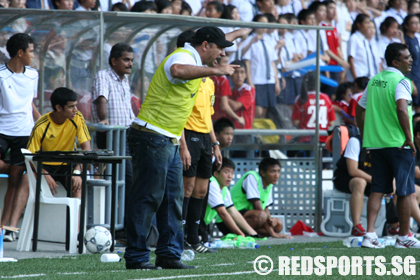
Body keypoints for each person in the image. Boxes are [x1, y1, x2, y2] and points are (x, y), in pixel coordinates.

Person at [124, 26, 236, 270]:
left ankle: (168, 254)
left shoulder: (195, 58)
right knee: (148, 197)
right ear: (205, 45)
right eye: (219, 49)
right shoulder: (182, 57)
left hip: (169, 139)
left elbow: (222, 44)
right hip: (152, 135)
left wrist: (240, 33)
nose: (221, 55)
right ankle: (137, 257)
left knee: (172, 200)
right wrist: (216, 70)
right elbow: (177, 71)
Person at [356, 42, 420, 248]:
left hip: (375, 144)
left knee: (378, 189)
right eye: (406, 57)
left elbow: (359, 109)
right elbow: (402, 109)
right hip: (399, 144)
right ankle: (403, 237)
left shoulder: (374, 81)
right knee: (405, 191)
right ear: (395, 62)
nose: (410, 60)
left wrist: (365, 135)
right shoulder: (402, 82)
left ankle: (370, 235)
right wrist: (409, 138)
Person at [91, 42, 135, 241]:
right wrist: (103, 120)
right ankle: (116, 226)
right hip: (111, 135)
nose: (129, 64)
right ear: (114, 60)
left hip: (126, 134)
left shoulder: (124, 79)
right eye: (126, 60)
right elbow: (102, 100)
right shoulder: (103, 75)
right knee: (120, 180)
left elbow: (127, 108)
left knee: (128, 180)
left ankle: (124, 225)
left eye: (131, 60)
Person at [0, 33, 40, 242]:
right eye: (31, 51)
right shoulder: (0, 74)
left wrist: (41, 124)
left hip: (25, 132)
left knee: (14, 182)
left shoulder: (33, 75)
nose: (33, 56)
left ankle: (4, 227)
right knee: (13, 173)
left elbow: (30, 104)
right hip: (1, 130)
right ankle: (10, 167)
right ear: (20, 52)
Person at [27, 87, 91, 198]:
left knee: (76, 184)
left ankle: (78, 216)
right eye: (71, 107)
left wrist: (76, 172)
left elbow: (86, 149)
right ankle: (15, 216)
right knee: (25, 179)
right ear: (58, 108)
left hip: (67, 164)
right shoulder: (41, 124)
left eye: (76, 105)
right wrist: (44, 173)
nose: (75, 110)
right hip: (45, 165)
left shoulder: (77, 117)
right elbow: (29, 156)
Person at [230, 157, 291, 238]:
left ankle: (251, 234)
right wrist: (273, 233)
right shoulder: (252, 177)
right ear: (262, 172)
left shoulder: (269, 184)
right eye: (273, 171)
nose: (277, 175)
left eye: (278, 171)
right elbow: (258, 208)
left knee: (279, 224)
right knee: (261, 216)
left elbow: (265, 209)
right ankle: (239, 233)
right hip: (231, 217)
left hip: (249, 217)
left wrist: (271, 221)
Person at [204, 158, 259, 237]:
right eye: (226, 172)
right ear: (216, 174)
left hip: (201, 224)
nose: (230, 176)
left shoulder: (224, 188)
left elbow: (233, 211)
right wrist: (240, 234)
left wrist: (253, 234)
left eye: (232, 173)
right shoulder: (212, 183)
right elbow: (222, 213)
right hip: (191, 225)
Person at [228, 60, 256, 129]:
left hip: (245, 130)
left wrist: (222, 97)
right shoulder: (229, 90)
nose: (239, 76)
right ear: (230, 74)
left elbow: (235, 106)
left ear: (246, 75)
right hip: (231, 129)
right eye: (236, 72)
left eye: (242, 72)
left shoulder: (248, 90)